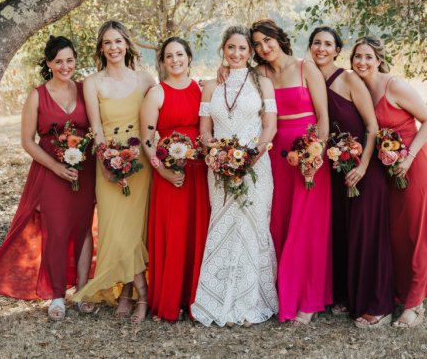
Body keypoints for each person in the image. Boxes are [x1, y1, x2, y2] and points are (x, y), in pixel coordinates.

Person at [0, 36, 95, 321]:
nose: (65, 66)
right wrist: (55, 166)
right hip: (51, 170)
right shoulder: (37, 96)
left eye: (70, 60)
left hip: (84, 168)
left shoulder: (85, 89)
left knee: (83, 227)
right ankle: (56, 295)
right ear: (49, 63)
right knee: (56, 229)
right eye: (58, 61)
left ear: (75, 60)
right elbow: (27, 141)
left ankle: (83, 290)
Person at [351, 36, 427, 328]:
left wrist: (409, 158)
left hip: (415, 166)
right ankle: (400, 291)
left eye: (368, 57)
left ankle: (415, 304)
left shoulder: (395, 86)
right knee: (397, 235)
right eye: (357, 57)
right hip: (389, 170)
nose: (362, 62)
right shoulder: (359, 86)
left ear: (379, 60)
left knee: (417, 234)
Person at [191, 26, 278, 326]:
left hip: (256, 167)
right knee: (224, 224)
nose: (237, 53)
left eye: (242, 48)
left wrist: (250, 158)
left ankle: (251, 301)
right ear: (223, 50)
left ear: (250, 52)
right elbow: (204, 130)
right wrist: (215, 155)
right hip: (218, 169)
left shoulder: (263, 83)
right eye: (231, 48)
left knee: (252, 227)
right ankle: (218, 299)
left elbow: (270, 127)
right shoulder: (210, 85)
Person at [309, 27, 394, 328]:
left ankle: (378, 304)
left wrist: (362, 167)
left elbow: (372, 127)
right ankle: (345, 293)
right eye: (316, 43)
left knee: (367, 234)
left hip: (364, 169)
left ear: (337, 50)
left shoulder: (347, 79)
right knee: (343, 232)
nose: (321, 48)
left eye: (327, 44)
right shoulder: (310, 80)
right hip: (336, 170)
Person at [250, 18, 332, 325]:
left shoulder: (304, 68)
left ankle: (308, 299)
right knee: (279, 222)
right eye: (257, 44)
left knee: (307, 226)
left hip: (309, 155)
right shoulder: (258, 73)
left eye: (266, 39)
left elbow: (323, 116)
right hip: (276, 156)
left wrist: (317, 152)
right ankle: (280, 293)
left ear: (278, 38)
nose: (263, 47)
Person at [72, 21, 155, 323]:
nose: (113, 47)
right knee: (114, 231)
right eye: (107, 42)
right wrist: (107, 164)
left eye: (118, 41)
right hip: (108, 162)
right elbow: (96, 128)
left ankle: (130, 293)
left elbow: (163, 107)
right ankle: (132, 289)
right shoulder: (92, 82)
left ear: (127, 44)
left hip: (140, 163)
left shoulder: (145, 80)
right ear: (101, 48)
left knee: (135, 230)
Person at [140, 37, 210, 322]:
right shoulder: (157, 93)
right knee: (174, 234)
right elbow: (146, 140)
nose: (175, 60)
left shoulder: (202, 89)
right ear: (163, 62)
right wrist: (161, 170)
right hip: (169, 176)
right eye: (169, 56)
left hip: (198, 173)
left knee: (198, 233)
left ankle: (196, 299)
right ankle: (169, 300)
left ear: (189, 57)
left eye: (180, 54)